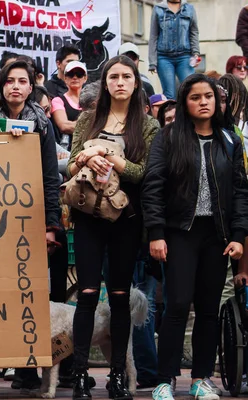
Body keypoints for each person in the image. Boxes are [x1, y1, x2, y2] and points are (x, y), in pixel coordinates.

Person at [143, 74, 248, 400]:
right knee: (176, 305)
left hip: (216, 236)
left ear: (217, 102)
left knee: (207, 309)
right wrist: (157, 233)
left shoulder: (230, 141)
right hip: (180, 234)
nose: (203, 102)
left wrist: (239, 235)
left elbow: (241, 193)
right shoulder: (168, 137)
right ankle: (165, 379)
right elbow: (153, 186)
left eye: (209, 97)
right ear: (185, 102)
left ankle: (202, 378)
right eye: (195, 97)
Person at [66, 55, 160, 400]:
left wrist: (113, 158)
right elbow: (70, 166)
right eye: (113, 77)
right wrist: (85, 157)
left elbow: (145, 173)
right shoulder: (87, 119)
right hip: (88, 217)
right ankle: (79, 376)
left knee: (120, 297)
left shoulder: (147, 125)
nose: (119, 82)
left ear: (136, 83)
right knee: (88, 294)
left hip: (126, 220)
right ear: (104, 83)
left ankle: (118, 375)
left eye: (126, 77)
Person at [0, 59, 62, 397]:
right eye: (10, 81)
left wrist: (50, 225)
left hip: (30, 216)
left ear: (32, 87)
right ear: (1, 86)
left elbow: (50, 177)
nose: (16, 86)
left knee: (29, 292)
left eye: (23, 81)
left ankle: (27, 368)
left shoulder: (43, 125)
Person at [148, 0, 200, 100]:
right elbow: (153, 36)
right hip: (164, 57)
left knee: (190, 89)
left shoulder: (189, 9)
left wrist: (196, 53)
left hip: (185, 56)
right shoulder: (158, 9)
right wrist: (152, 62)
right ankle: (171, 115)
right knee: (169, 94)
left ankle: (187, 115)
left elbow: (194, 33)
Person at [51, 61, 86, 150]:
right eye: (71, 74)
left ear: (85, 78)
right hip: (66, 150)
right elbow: (64, 126)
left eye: (79, 74)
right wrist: (92, 126)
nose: (75, 77)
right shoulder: (58, 100)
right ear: (65, 78)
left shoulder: (92, 101)